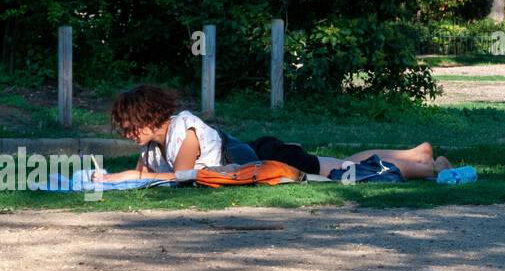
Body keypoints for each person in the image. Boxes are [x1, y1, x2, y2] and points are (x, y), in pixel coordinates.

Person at [95, 84, 451, 182]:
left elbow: (184, 175)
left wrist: (128, 178)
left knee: (344, 170)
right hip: (257, 153)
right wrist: (109, 178)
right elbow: (144, 175)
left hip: (268, 157)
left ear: (149, 117)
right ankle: (416, 153)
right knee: (340, 163)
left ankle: (428, 166)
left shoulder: (183, 131)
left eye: (129, 126)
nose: (126, 133)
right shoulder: (154, 148)